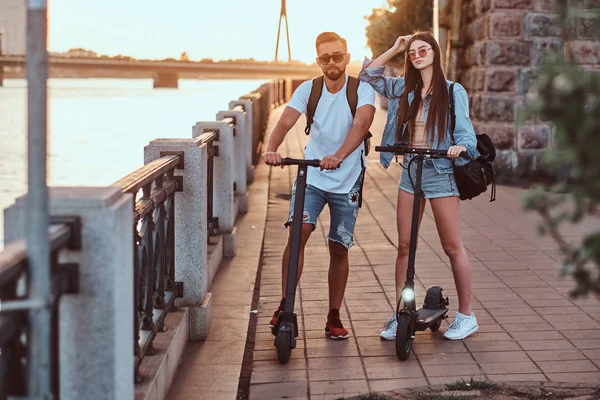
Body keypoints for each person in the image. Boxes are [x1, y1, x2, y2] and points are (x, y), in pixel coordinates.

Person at [358, 31, 480, 341]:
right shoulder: (404, 89)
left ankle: (466, 315)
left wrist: (459, 148)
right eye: (412, 52)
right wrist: (396, 47)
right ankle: (402, 312)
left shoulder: (454, 92)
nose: (416, 56)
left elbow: (467, 135)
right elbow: (367, 75)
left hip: (440, 172)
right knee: (403, 246)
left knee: (452, 246)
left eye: (422, 50)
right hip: (411, 171)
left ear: (435, 53)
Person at [264, 31, 376, 340]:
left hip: (348, 179)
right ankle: (286, 305)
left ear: (346, 57)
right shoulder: (308, 89)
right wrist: (271, 149)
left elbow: (361, 125)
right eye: (325, 58)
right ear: (318, 61)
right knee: (298, 234)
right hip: (311, 176)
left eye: (337, 56)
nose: (331, 62)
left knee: (339, 247)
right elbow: (284, 122)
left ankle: (333, 314)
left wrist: (339, 156)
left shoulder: (362, 90)